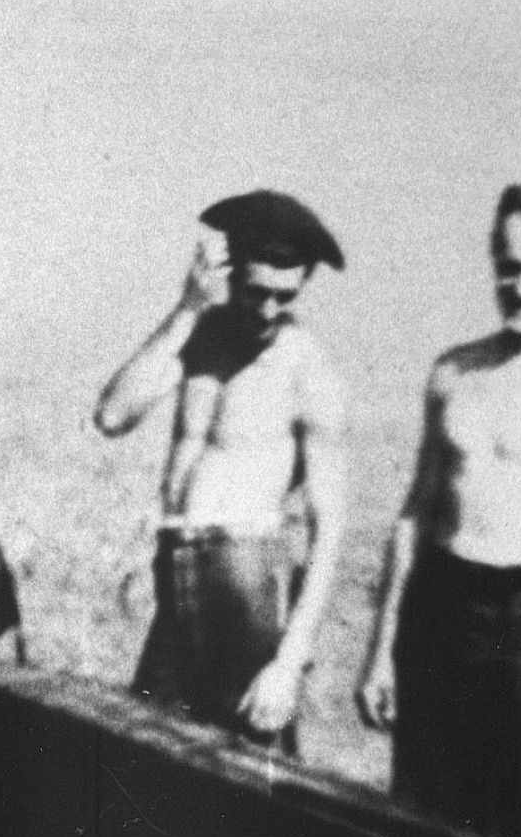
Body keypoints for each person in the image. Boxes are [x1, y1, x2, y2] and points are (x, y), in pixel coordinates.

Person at [357, 184, 521, 837]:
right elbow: (414, 514)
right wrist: (379, 651)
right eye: (511, 265)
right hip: (441, 611)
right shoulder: (454, 373)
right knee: (424, 823)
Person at [94, 190, 348, 750]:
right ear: (229, 271)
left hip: (246, 582)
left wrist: (288, 664)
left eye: (285, 295)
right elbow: (112, 415)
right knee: (145, 759)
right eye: (256, 291)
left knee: (251, 780)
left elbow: (329, 532)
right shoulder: (199, 339)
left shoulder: (309, 370)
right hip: (177, 573)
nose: (268, 311)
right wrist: (187, 309)